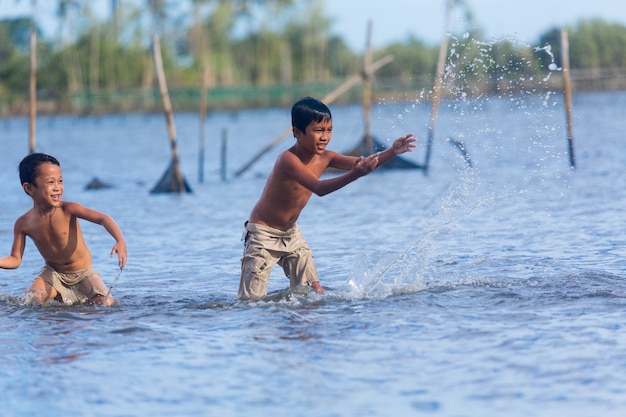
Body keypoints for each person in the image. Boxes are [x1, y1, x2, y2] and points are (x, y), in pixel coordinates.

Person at [238, 97, 417, 300]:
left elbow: (366, 163)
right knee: (250, 302)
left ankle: (298, 325)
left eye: (329, 130)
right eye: (318, 131)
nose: (324, 137)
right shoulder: (288, 160)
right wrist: (355, 174)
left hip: (291, 234)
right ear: (297, 132)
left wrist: (392, 151)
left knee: (313, 293)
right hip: (263, 235)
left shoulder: (326, 157)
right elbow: (319, 188)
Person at [0, 153, 127, 306]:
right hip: (53, 273)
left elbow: (103, 218)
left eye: (60, 181)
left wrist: (120, 240)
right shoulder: (24, 223)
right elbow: (15, 259)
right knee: (31, 301)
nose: (57, 188)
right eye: (50, 182)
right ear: (29, 188)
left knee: (105, 304)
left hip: (83, 273)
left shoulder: (68, 209)